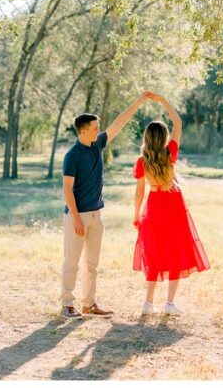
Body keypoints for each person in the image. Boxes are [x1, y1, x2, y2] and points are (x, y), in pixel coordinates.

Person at [61, 93, 151, 319]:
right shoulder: (72, 156)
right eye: (94, 127)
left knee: (92, 264)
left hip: (96, 215)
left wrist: (139, 101)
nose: (98, 129)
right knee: (72, 262)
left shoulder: (97, 144)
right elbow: (67, 190)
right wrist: (76, 218)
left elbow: (118, 123)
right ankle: (67, 305)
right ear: (83, 130)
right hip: (77, 215)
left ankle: (89, 304)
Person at [133, 92, 210, 315]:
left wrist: (136, 214)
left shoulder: (142, 160)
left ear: (146, 138)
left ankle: (148, 304)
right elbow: (178, 121)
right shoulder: (170, 153)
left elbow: (139, 192)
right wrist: (163, 101)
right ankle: (169, 303)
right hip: (173, 206)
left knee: (155, 254)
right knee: (175, 252)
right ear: (164, 137)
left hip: (154, 206)